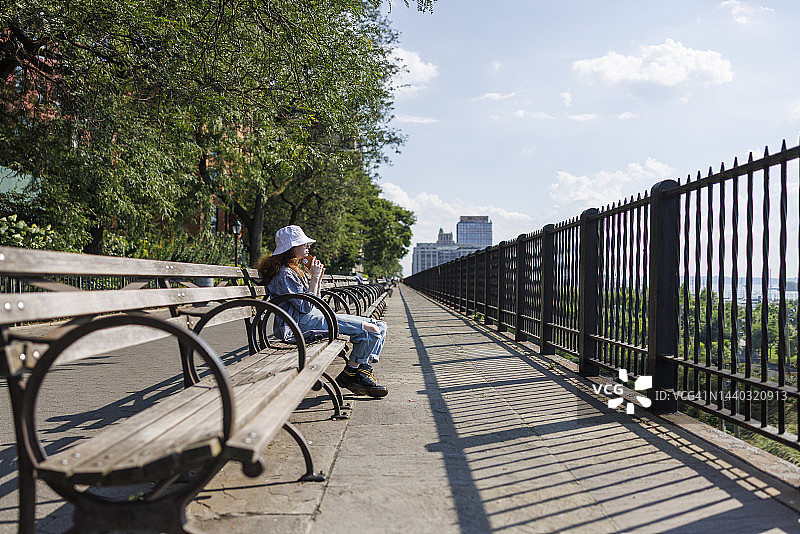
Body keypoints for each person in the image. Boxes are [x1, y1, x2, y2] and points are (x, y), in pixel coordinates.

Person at [257, 225, 389, 398]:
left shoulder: (292, 270)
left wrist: (315, 279)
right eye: (303, 244)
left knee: (381, 326)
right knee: (371, 330)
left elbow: (313, 302)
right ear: (290, 247)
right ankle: (355, 374)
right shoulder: (284, 275)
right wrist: (314, 278)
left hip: (311, 317)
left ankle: (354, 374)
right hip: (297, 325)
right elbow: (306, 307)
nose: (308, 246)